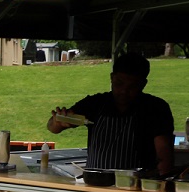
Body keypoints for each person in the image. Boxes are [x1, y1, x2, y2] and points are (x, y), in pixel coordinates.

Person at [46, 51, 175, 174]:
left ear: (143, 84)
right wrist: (58, 122)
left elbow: (164, 154)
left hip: (137, 185)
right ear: (112, 78)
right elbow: (52, 127)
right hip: (95, 183)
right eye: (119, 83)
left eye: (132, 86)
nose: (124, 91)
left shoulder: (155, 108)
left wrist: (161, 181)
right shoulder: (95, 103)